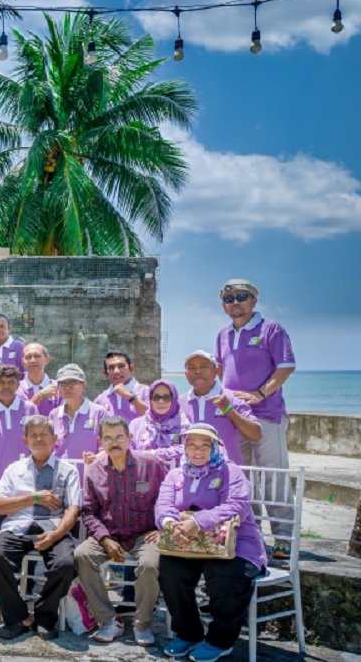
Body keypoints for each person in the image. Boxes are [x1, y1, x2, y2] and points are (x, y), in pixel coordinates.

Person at [156, 423, 268, 661]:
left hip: (236, 543)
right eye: (192, 445)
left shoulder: (229, 471)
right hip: (188, 543)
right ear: (185, 447)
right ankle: (189, 633)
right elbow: (163, 505)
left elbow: (236, 505)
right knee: (170, 571)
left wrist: (197, 522)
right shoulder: (175, 474)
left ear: (215, 447)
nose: (198, 451)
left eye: (205, 446)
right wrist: (170, 525)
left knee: (224, 573)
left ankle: (220, 640)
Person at [214, 277, 297, 559]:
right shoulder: (223, 334)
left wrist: (261, 393)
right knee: (243, 477)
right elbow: (220, 370)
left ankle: (284, 537)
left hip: (268, 415)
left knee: (273, 477)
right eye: (229, 299)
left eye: (241, 296)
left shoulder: (271, 329)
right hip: (235, 418)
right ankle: (253, 534)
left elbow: (285, 367)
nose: (235, 302)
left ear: (253, 300)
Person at [74, 415, 168, 647]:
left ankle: (142, 623)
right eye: (108, 438)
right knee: (82, 555)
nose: (114, 442)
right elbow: (88, 512)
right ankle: (108, 620)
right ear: (100, 440)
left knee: (149, 565)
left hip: (145, 534)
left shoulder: (151, 464)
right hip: (110, 534)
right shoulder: (94, 470)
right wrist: (105, 539)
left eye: (119, 437)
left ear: (130, 438)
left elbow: (169, 499)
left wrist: (162, 528)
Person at [0, 415, 81, 641]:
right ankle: (18, 617)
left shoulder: (68, 470)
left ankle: (45, 616)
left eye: (44, 434)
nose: (39, 439)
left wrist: (56, 535)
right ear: (25, 440)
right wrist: (34, 498)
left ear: (54, 439)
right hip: (18, 527)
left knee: (66, 564)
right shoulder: (14, 469)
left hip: (53, 528)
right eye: (34, 435)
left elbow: (73, 509)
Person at [180, 350, 261, 466]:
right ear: (186, 374)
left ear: (216, 371)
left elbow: (256, 435)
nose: (198, 371)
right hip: (190, 473)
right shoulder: (179, 403)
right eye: (192, 368)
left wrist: (228, 409)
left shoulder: (232, 399)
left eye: (204, 367)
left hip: (227, 473)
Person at [0, 364, 40, 489]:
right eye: (1, 382)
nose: (6, 386)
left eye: (11, 382)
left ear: (18, 385)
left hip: (26, 474)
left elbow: (37, 442)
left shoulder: (30, 408)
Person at [48, 364, 110, 462]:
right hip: (59, 474)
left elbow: (108, 446)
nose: (67, 387)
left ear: (83, 385)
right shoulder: (54, 414)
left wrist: (96, 457)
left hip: (89, 473)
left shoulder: (99, 412)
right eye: (63, 383)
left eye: (73, 382)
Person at [128, 379, 189, 465]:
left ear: (174, 399)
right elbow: (128, 451)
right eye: (156, 397)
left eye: (166, 397)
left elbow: (186, 448)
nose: (161, 401)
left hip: (175, 476)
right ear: (150, 399)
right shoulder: (136, 425)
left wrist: (157, 453)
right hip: (143, 476)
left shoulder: (183, 424)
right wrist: (146, 455)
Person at [93, 350, 148, 421]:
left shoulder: (146, 391)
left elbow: (155, 416)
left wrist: (128, 395)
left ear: (131, 368)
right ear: (105, 373)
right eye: (111, 367)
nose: (116, 371)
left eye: (121, 366)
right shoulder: (100, 399)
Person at [18, 343, 59, 416]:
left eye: (37, 356)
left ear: (47, 359)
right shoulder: (16, 389)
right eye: (28, 357)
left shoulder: (59, 387)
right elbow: (17, 417)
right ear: (23, 362)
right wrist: (40, 396)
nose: (33, 360)